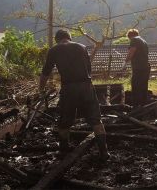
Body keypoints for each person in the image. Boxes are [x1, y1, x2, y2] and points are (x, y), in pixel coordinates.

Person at [39, 29, 110, 161]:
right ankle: (104, 151)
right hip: (87, 86)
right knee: (96, 119)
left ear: (57, 39)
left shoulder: (54, 50)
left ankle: (64, 150)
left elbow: (45, 73)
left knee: (65, 121)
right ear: (69, 37)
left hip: (69, 88)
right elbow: (89, 69)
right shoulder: (82, 47)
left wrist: (41, 90)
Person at [122, 29, 150, 107]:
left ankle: (136, 105)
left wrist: (125, 63)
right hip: (146, 67)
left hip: (139, 68)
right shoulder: (143, 41)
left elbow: (131, 52)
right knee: (143, 86)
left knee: (136, 86)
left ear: (130, 36)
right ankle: (143, 104)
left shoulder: (134, 40)